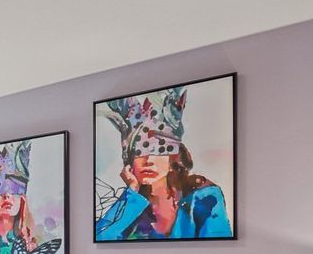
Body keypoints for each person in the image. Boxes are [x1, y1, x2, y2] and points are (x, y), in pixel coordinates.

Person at [95, 87, 232, 241]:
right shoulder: (133, 205)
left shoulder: (204, 197)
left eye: (159, 151)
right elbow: (101, 238)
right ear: (129, 161)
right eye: (139, 153)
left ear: (171, 160)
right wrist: (132, 192)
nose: (149, 161)